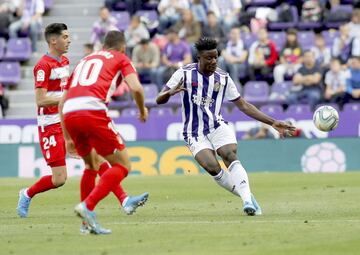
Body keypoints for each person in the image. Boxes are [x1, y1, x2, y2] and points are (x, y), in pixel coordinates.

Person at [156, 37, 295, 216]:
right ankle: (248, 195)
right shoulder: (183, 74)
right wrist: (169, 93)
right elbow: (159, 99)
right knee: (212, 167)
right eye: (209, 58)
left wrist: (273, 122)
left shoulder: (223, 78)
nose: (213, 61)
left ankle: (246, 202)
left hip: (217, 125)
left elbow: (243, 105)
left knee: (229, 154)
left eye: (216, 57)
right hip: (193, 132)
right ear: (199, 57)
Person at [60, 30, 149, 234]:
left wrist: (67, 137)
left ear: (103, 46)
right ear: (123, 47)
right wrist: (142, 110)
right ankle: (88, 206)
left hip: (70, 113)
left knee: (91, 165)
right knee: (124, 165)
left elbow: (62, 101)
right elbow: (136, 88)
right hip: (92, 110)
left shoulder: (84, 61)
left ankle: (86, 225)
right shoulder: (121, 58)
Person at [16, 23, 71, 218]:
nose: (69, 40)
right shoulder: (43, 65)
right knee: (59, 179)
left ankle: (124, 199)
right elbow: (41, 100)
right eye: (65, 37)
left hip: (67, 121)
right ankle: (27, 193)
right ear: (53, 40)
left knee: (95, 156)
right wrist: (66, 99)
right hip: (50, 125)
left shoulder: (65, 61)